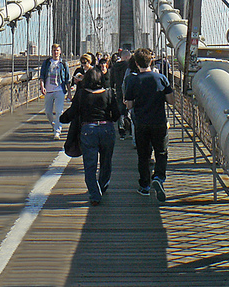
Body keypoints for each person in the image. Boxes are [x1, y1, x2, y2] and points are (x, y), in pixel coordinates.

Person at [124, 48, 173, 201]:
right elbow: (171, 101)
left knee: (143, 156)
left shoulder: (132, 80)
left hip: (141, 123)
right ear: (151, 61)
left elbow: (130, 105)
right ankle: (158, 177)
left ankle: (145, 186)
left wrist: (128, 103)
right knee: (161, 152)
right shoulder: (161, 78)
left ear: (136, 63)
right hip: (159, 122)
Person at [70, 59, 120, 205]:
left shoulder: (81, 95)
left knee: (90, 165)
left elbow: (73, 112)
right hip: (107, 130)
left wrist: (62, 118)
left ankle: (94, 194)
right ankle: (102, 186)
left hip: (88, 130)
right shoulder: (109, 94)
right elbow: (116, 115)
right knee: (106, 162)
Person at [39, 43, 70, 140]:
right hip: (48, 90)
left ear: (60, 52)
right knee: (48, 112)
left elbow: (67, 79)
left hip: (59, 90)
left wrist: (69, 92)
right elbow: (42, 75)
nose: (55, 52)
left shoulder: (64, 64)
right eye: (54, 50)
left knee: (59, 111)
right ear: (51, 52)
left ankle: (57, 132)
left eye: (57, 50)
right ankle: (54, 125)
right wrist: (42, 86)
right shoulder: (47, 62)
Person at [111, 49, 133, 140]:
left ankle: (122, 132)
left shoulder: (114, 66)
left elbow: (111, 80)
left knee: (121, 111)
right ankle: (131, 131)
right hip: (129, 90)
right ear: (128, 57)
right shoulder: (129, 66)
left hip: (118, 91)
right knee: (130, 110)